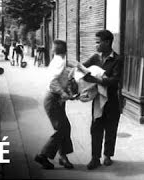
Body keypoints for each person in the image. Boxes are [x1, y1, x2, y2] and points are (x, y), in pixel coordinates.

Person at [77, 30, 123, 170]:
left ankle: (108, 155)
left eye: (98, 42)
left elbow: (115, 80)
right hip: (98, 99)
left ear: (107, 42)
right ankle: (95, 158)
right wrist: (79, 75)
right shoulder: (95, 58)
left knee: (111, 128)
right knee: (96, 128)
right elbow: (82, 68)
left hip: (112, 99)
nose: (95, 45)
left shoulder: (117, 59)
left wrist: (96, 79)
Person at [35, 40, 78, 170]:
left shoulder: (57, 60)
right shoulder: (60, 61)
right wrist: (63, 93)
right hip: (53, 99)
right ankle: (43, 155)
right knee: (62, 128)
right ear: (66, 50)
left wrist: (68, 92)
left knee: (65, 127)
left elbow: (62, 80)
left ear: (54, 50)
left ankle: (63, 157)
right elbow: (53, 82)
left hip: (56, 99)